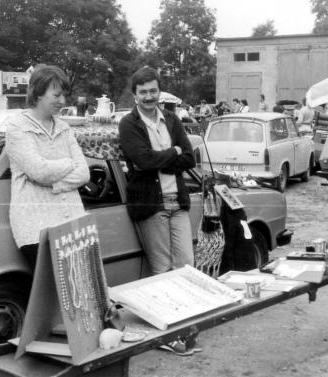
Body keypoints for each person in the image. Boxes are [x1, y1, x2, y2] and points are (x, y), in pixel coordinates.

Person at [119, 66, 197, 355]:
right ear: (135, 95)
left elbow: (188, 157)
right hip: (150, 205)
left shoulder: (173, 120)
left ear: (159, 91)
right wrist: (172, 153)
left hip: (177, 203)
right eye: (143, 92)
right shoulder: (129, 124)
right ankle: (165, 335)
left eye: (153, 90)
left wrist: (165, 156)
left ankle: (182, 328)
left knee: (186, 267)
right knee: (162, 270)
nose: (149, 96)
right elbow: (143, 160)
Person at [4, 64, 89, 269]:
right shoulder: (17, 127)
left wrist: (53, 184)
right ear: (38, 93)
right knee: (51, 294)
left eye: (64, 95)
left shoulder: (64, 127)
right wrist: (69, 163)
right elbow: (38, 171)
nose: (62, 101)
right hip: (36, 229)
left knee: (82, 291)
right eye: (57, 95)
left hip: (72, 225)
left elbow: (84, 173)